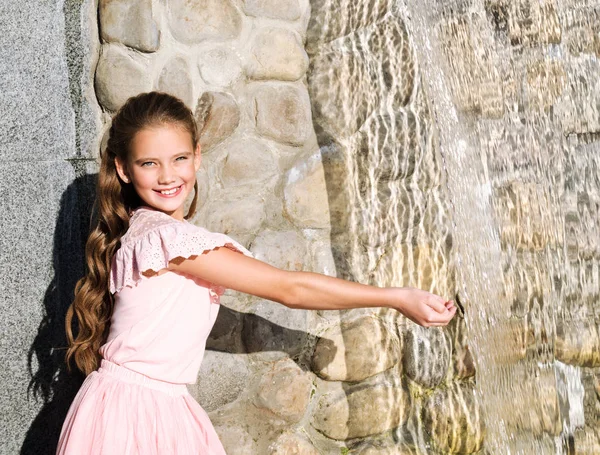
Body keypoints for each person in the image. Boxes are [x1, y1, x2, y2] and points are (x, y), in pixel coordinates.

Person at [56, 91, 456, 454]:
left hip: (136, 405)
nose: (167, 176)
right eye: (149, 164)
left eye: (179, 159)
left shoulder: (144, 230)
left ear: (197, 156)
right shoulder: (167, 240)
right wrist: (394, 297)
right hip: (138, 417)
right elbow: (289, 288)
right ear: (124, 169)